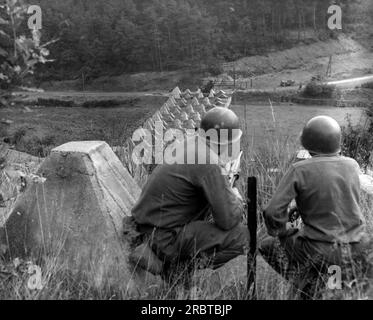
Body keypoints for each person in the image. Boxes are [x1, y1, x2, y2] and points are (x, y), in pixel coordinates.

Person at [129, 107, 249, 282]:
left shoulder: (189, 143)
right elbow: (227, 220)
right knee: (243, 237)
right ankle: (178, 268)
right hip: (164, 237)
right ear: (226, 142)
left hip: (148, 227)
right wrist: (236, 197)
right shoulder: (209, 162)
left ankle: (174, 267)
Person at [259, 115, 368, 299]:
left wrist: (281, 230)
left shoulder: (299, 169)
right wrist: (300, 207)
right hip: (357, 246)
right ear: (337, 142)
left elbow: (272, 211)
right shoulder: (352, 165)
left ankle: (308, 287)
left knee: (267, 245)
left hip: (319, 249)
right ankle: (337, 286)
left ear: (307, 143)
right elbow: (335, 196)